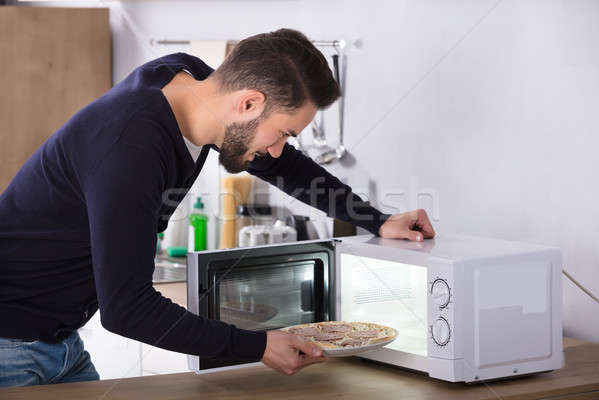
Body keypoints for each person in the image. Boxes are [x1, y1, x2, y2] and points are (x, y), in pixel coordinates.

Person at [0, 28, 435, 386]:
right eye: (282, 132)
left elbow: (287, 168)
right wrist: (258, 346)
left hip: (55, 342)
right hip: (9, 347)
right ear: (247, 103)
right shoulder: (130, 147)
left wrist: (377, 219)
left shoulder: (189, 82)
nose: (279, 148)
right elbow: (127, 309)